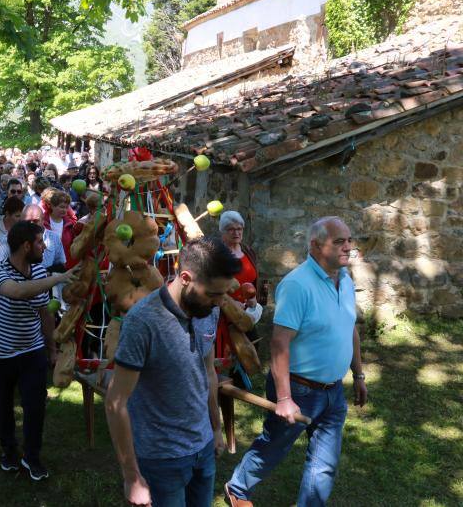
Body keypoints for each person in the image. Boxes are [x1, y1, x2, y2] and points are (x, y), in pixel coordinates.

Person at [225, 217, 367, 507]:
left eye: (349, 240)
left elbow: (349, 326)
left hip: (334, 391)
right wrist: (285, 397)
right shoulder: (297, 284)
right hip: (298, 389)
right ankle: (237, 488)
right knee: (274, 446)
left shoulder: (346, 281)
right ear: (315, 245)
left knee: (324, 461)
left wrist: (359, 375)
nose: (348, 247)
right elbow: (279, 343)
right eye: (339, 241)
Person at [105, 237, 240, 507]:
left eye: (223, 294)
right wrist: (131, 477)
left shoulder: (208, 310)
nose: (219, 302)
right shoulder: (143, 322)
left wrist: (214, 428)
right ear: (186, 277)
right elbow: (115, 402)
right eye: (214, 294)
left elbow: (208, 371)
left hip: (202, 448)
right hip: (160, 459)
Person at [0, 221, 79, 480]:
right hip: (0, 353)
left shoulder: (39, 272)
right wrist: (58, 277)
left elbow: (44, 313)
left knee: (35, 407)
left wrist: (51, 349)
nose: (44, 246)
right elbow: (16, 292)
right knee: (2, 408)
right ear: (26, 246)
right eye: (39, 242)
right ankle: (9, 452)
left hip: (32, 351)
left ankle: (32, 458)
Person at [216, 211, 261, 369]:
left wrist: (254, 299)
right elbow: (214, 283)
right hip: (225, 315)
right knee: (228, 356)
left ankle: (243, 385)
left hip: (247, 312)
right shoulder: (218, 256)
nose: (236, 232)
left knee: (250, 351)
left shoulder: (247, 251)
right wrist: (232, 302)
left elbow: (254, 279)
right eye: (231, 229)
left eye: (239, 228)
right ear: (222, 231)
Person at [0, 205, 66, 273]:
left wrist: (44, 274)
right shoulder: (8, 238)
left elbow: (61, 265)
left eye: (35, 221)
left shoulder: (54, 238)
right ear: (21, 221)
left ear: (43, 220)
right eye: (27, 221)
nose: (31, 224)